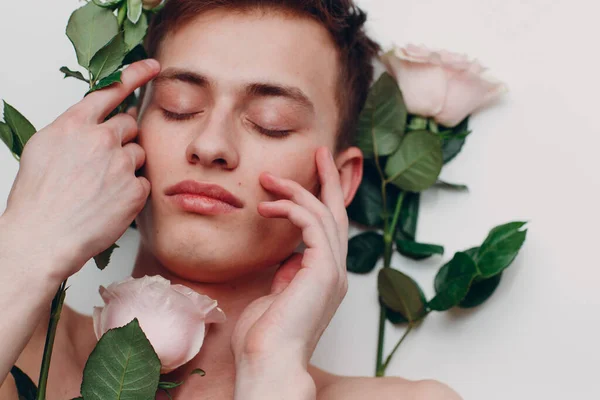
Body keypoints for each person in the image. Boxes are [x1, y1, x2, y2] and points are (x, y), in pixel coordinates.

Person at [0, 0, 462, 398]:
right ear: (124, 134)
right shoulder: (22, 347)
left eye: (270, 122)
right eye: (178, 106)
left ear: (337, 182)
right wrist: (27, 246)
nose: (211, 145)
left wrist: (272, 373)